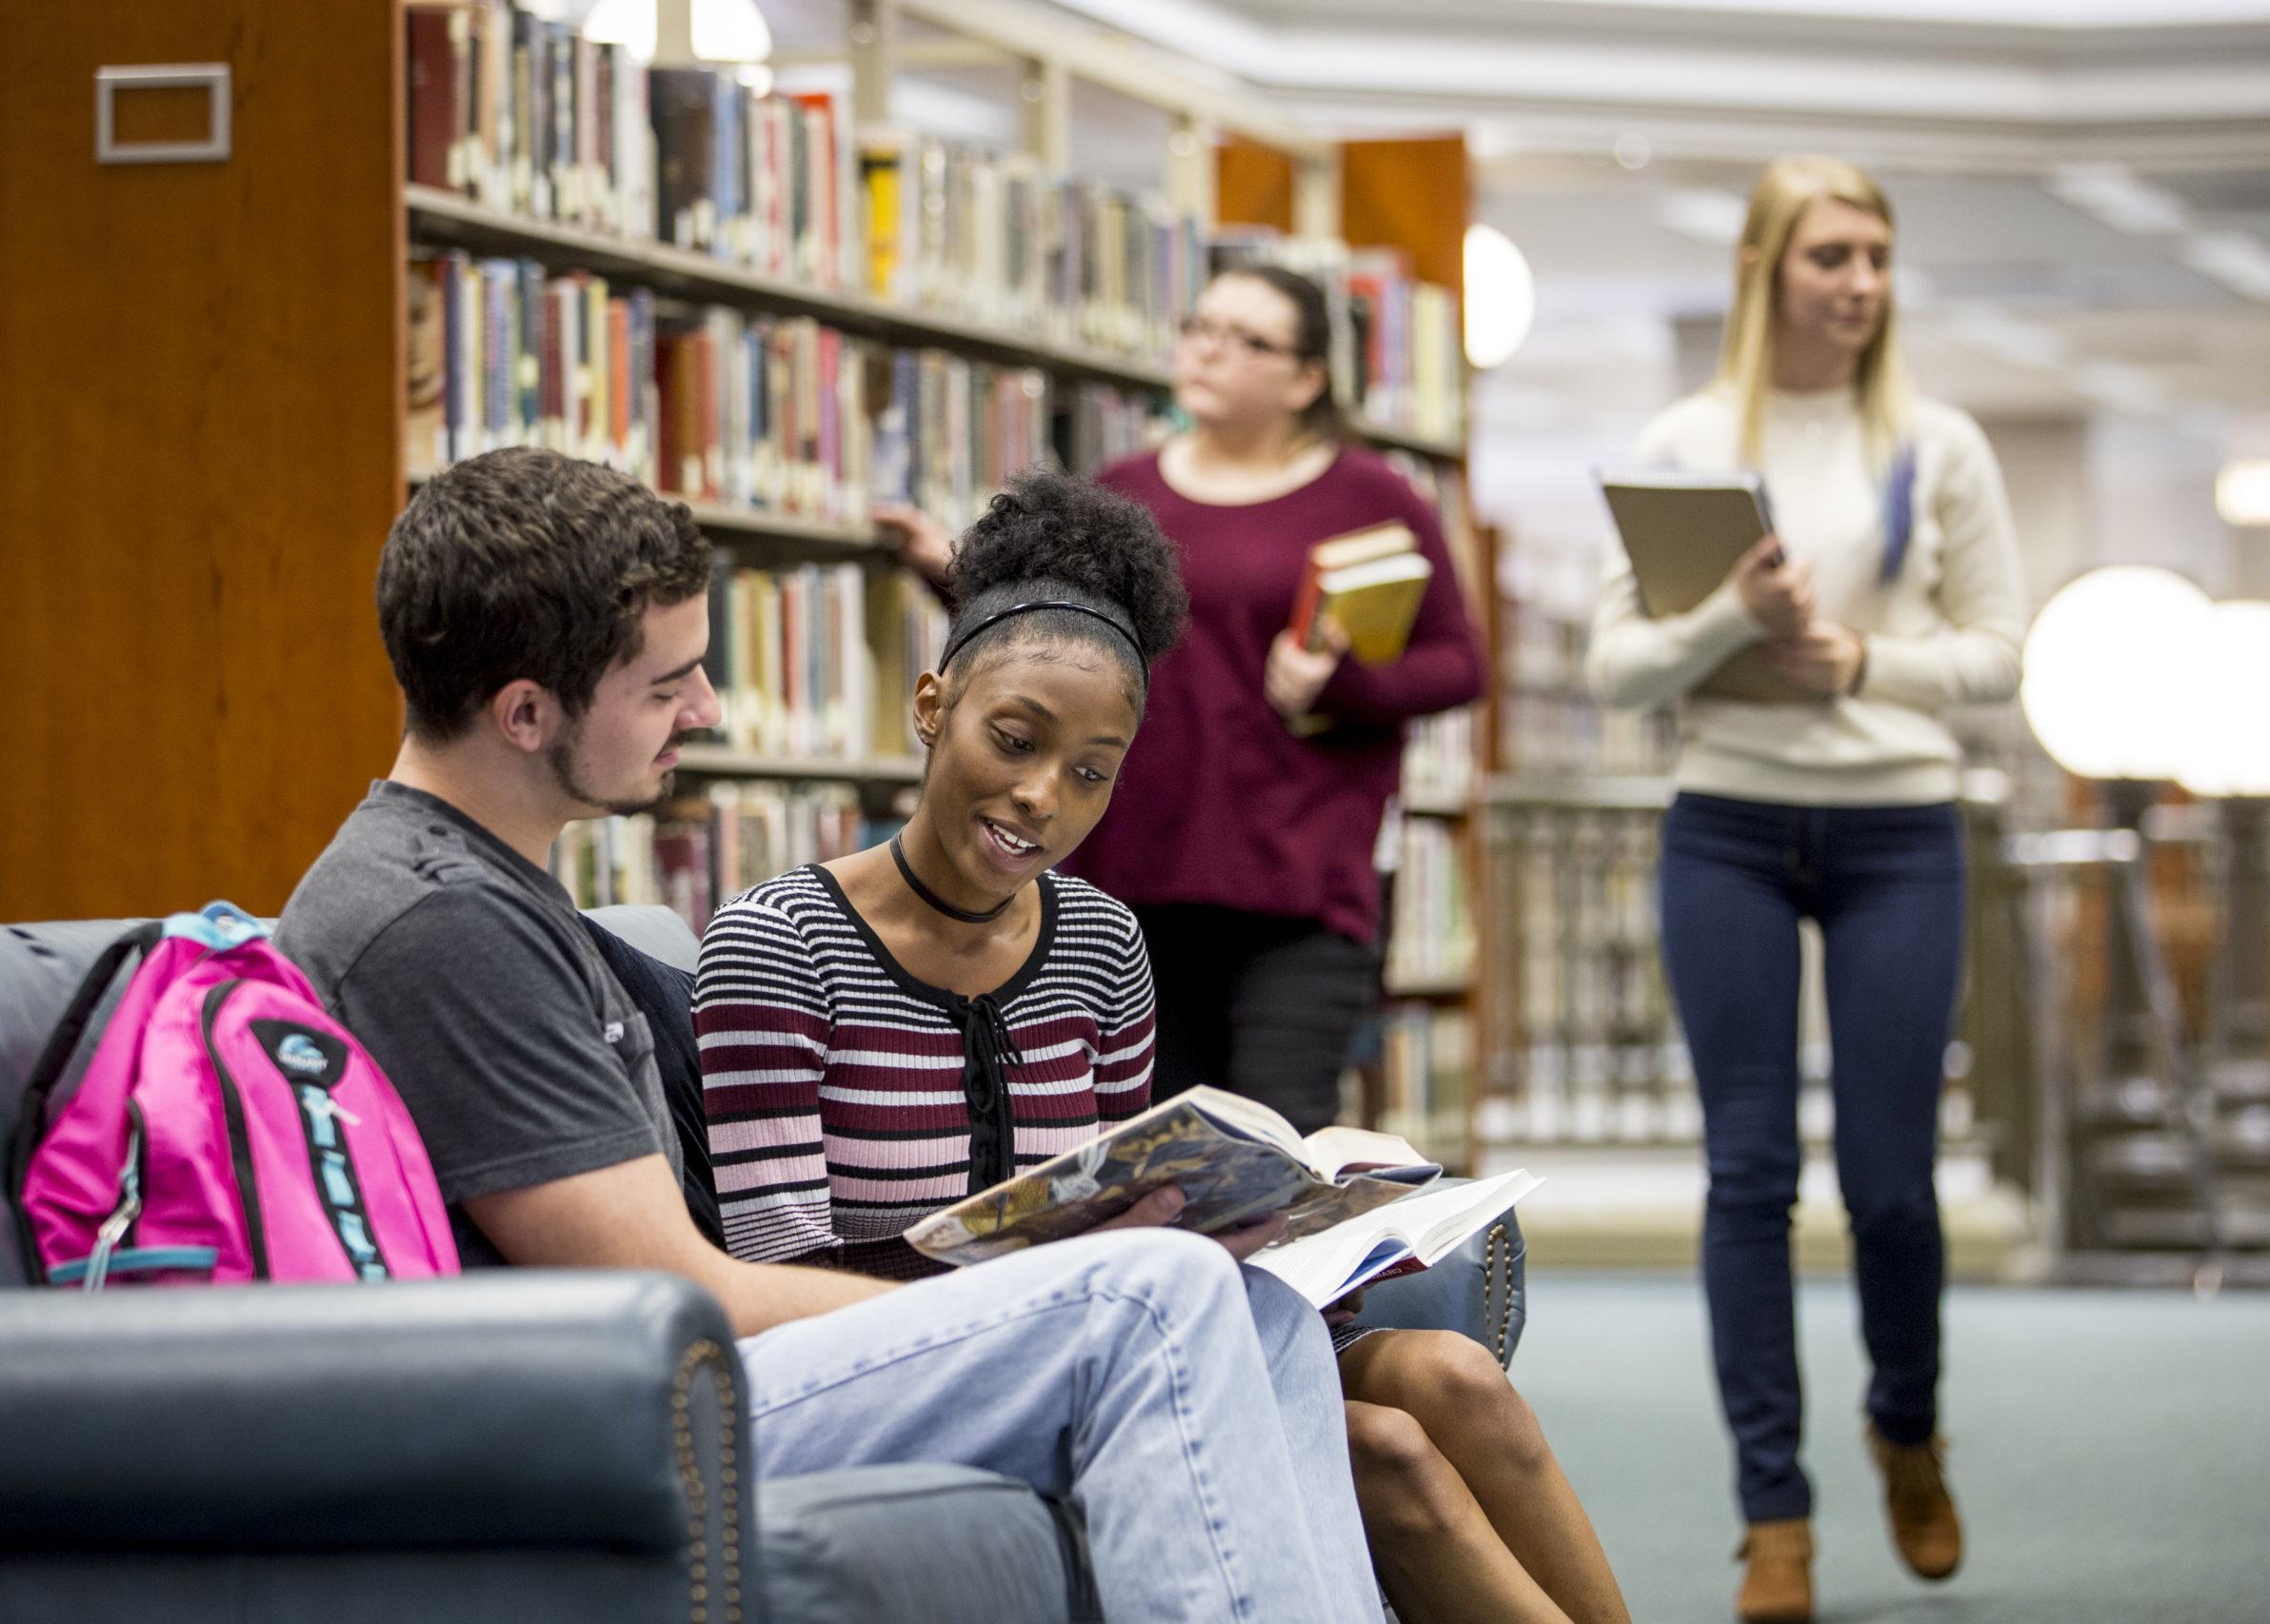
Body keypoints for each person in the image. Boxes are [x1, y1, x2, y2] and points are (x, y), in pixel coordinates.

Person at [275, 446, 1386, 1624]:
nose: (703, 710)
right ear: (525, 711)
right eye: (665, 685)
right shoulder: (438, 923)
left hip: (670, 1363)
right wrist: (1047, 1286)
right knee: (1151, 1293)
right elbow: (669, 1286)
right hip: (620, 1395)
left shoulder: (503, 893)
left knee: (1249, 1312)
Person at [710, 469, 1628, 1624]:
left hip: (1111, 1319)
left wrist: (1271, 1220)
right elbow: (769, 1271)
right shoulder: (780, 939)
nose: (1043, 795)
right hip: (913, 1354)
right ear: (932, 703)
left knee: (1447, 1378)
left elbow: (1100, 1196)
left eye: (1092, 771)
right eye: (1014, 738)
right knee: (1386, 1453)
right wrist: (1041, 1287)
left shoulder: (1098, 942)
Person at [1585, 155, 2028, 1624]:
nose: (1860, 282)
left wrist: (1858, 662)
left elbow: (1998, 656)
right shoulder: (1694, 438)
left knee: (1894, 1190)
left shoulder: (1939, 444)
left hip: (1899, 825)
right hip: (1726, 822)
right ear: (1768, 267)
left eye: (1877, 256)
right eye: (1832, 254)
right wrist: (1739, 615)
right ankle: (1772, 1509)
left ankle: (1907, 1422)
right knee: (1748, 1174)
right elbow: (1616, 665)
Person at [888, 262, 1486, 1139]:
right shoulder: (1128, 486)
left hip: (1297, 886)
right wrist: (951, 574)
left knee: (1283, 1154)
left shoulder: (1372, 496)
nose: (1210, 351)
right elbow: (1056, 634)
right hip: (1135, 875)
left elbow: (1460, 665)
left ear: (1307, 378)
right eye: (1201, 327)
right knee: (1153, 1152)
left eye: (1248, 340)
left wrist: (1345, 684)